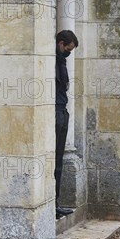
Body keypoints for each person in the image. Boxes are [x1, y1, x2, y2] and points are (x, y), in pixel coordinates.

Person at [54, 30, 78, 219]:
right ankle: (52, 203)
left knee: (59, 160)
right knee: (54, 160)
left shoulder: (62, 60)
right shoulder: (53, 60)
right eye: (67, 49)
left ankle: (56, 202)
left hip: (62, 110)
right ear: (61, 44)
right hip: (55, 111)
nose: (68, 53)